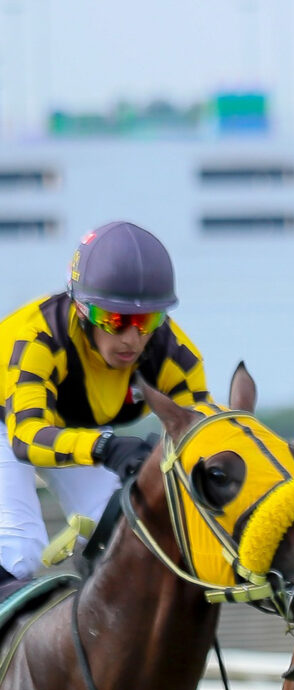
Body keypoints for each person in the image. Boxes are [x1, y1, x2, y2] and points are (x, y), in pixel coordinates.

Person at [0, 220, 211, 586]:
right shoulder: (37, 339)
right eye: (115, 319)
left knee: (120, 529)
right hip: (11, 424)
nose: (133, 338)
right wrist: (105, 447)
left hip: (69, 427)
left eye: (147, 320)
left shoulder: (173, 354)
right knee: (18, 550)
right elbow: (27, 438)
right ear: (82, 310)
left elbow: (205, 435)